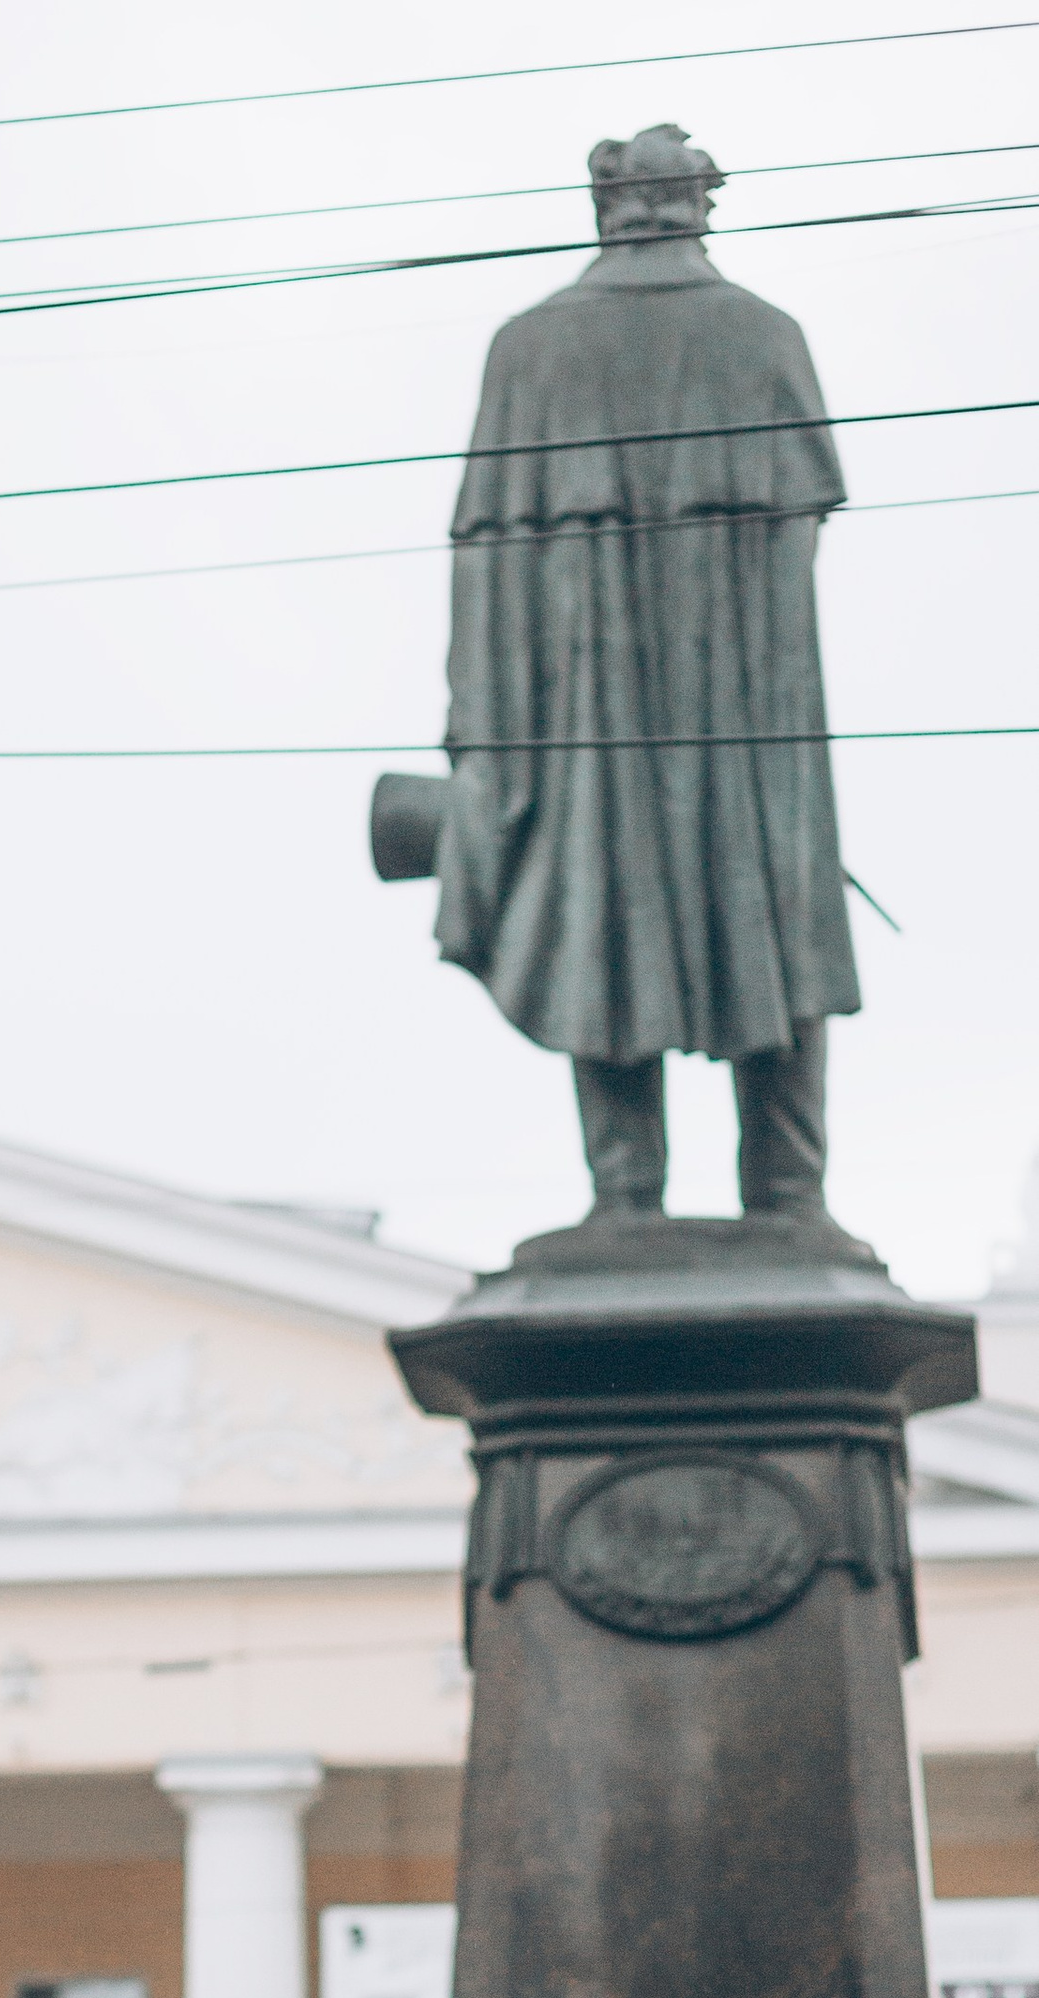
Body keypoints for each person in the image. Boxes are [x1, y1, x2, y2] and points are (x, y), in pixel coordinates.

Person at [433, 124, 863, 1242]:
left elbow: (483, 569)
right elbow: (797, 551)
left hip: (584, 719)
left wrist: (484, 735)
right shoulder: (762, 335)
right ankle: (787, 1193)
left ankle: (624, 1193)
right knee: (769, 920)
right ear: (701, 206)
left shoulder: (527, 349)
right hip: (751, 724)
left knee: (598, 906)